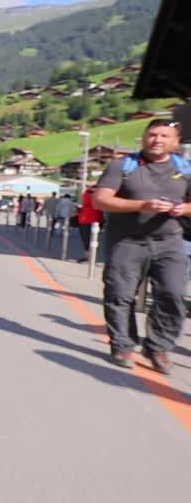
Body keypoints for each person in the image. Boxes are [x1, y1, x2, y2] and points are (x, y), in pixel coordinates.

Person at [92, 119, 191, 373]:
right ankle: (122, 346)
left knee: (172, 294)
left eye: (164, 136)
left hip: (170, 242)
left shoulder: (186, 169)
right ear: (144, 137)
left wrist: (184, 209)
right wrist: (142, 206)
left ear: (176, 142)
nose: (157, 140)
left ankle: (158, 348)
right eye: (152, 134)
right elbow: (100, 200)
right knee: (120, 295)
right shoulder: (122, 166)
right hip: (127, 241)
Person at [75, 184, 103, 262]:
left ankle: (88, 256)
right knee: (89, 239)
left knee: (87, 239)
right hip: (91, 219)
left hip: (88, 220)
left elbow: (85, 203)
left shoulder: (89, 194)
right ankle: (89, 256)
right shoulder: (91, 194)